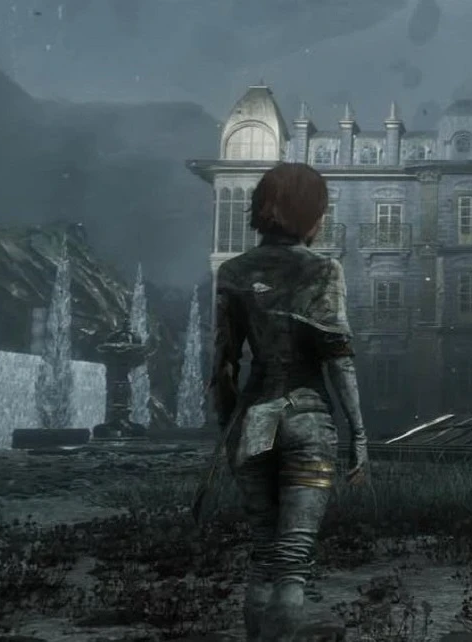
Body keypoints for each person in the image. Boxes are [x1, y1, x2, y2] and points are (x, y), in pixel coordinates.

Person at [210, 162, 368, 641]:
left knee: (263, 554)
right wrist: (359, 433)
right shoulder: (322, 269)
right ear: (309, 214)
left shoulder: (233, 271)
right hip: (307, 418)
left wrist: (227, 430)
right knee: (293, 561)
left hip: (252, 419)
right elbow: (338, 358)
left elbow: (224, 365)